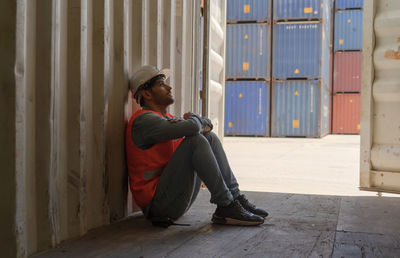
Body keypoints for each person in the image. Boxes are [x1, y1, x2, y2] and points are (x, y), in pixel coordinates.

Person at [126, 65, 268, 227]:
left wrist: (196, 123)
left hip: (174, 197)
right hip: (158, 206)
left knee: (208, 137)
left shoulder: (168, 118)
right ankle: (226, 205)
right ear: (147, 94)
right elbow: (195, 127)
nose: (169, 87)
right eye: (161, 84)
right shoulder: (144, 121)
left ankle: (234, 198)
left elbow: (205, 126)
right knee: (195, 140)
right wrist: (194, 118)